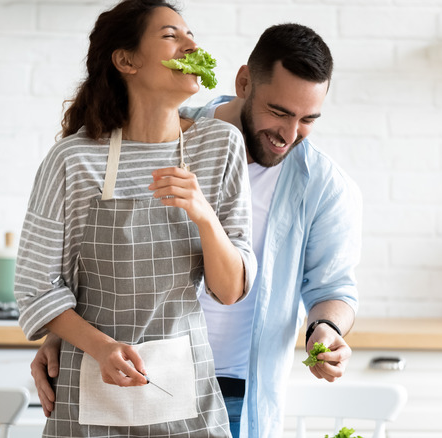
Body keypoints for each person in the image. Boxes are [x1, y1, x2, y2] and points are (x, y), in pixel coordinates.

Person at [28, 22, 362, 438]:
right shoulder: (168, 135)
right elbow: (104, 260)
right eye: (278, 112)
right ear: (244, 82)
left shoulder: (324, 185)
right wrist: (67, 337)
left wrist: (324, 332)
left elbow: (332, 288)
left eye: (307, 119)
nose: (288, 135)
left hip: (240, 390)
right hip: (138, 373)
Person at [13, 0, 256, 437]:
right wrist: (101, 348)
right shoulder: (74, 159)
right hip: (91, 383)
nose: (190, 44)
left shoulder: (221, 145)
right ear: (126, 60)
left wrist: (205, 217)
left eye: (190, 34)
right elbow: (36, 286)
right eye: (171, 35)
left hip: (187, 395)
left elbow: (230, 289)